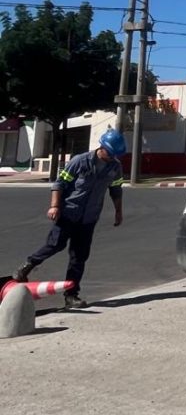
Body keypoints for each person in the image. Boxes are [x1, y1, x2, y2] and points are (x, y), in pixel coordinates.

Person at [11, 128, 126, 308]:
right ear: (102, 147)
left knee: (79, 257)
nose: (112, 157)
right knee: (55, 245)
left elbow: (116, 190)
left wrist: (118, 212)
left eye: (115, 155)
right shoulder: (80, 161)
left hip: (89, 218)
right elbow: (60, 183)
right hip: (69, 213)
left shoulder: (115, 167)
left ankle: (71, 296)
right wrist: (55, 206)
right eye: (110, 153)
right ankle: (27, 265)